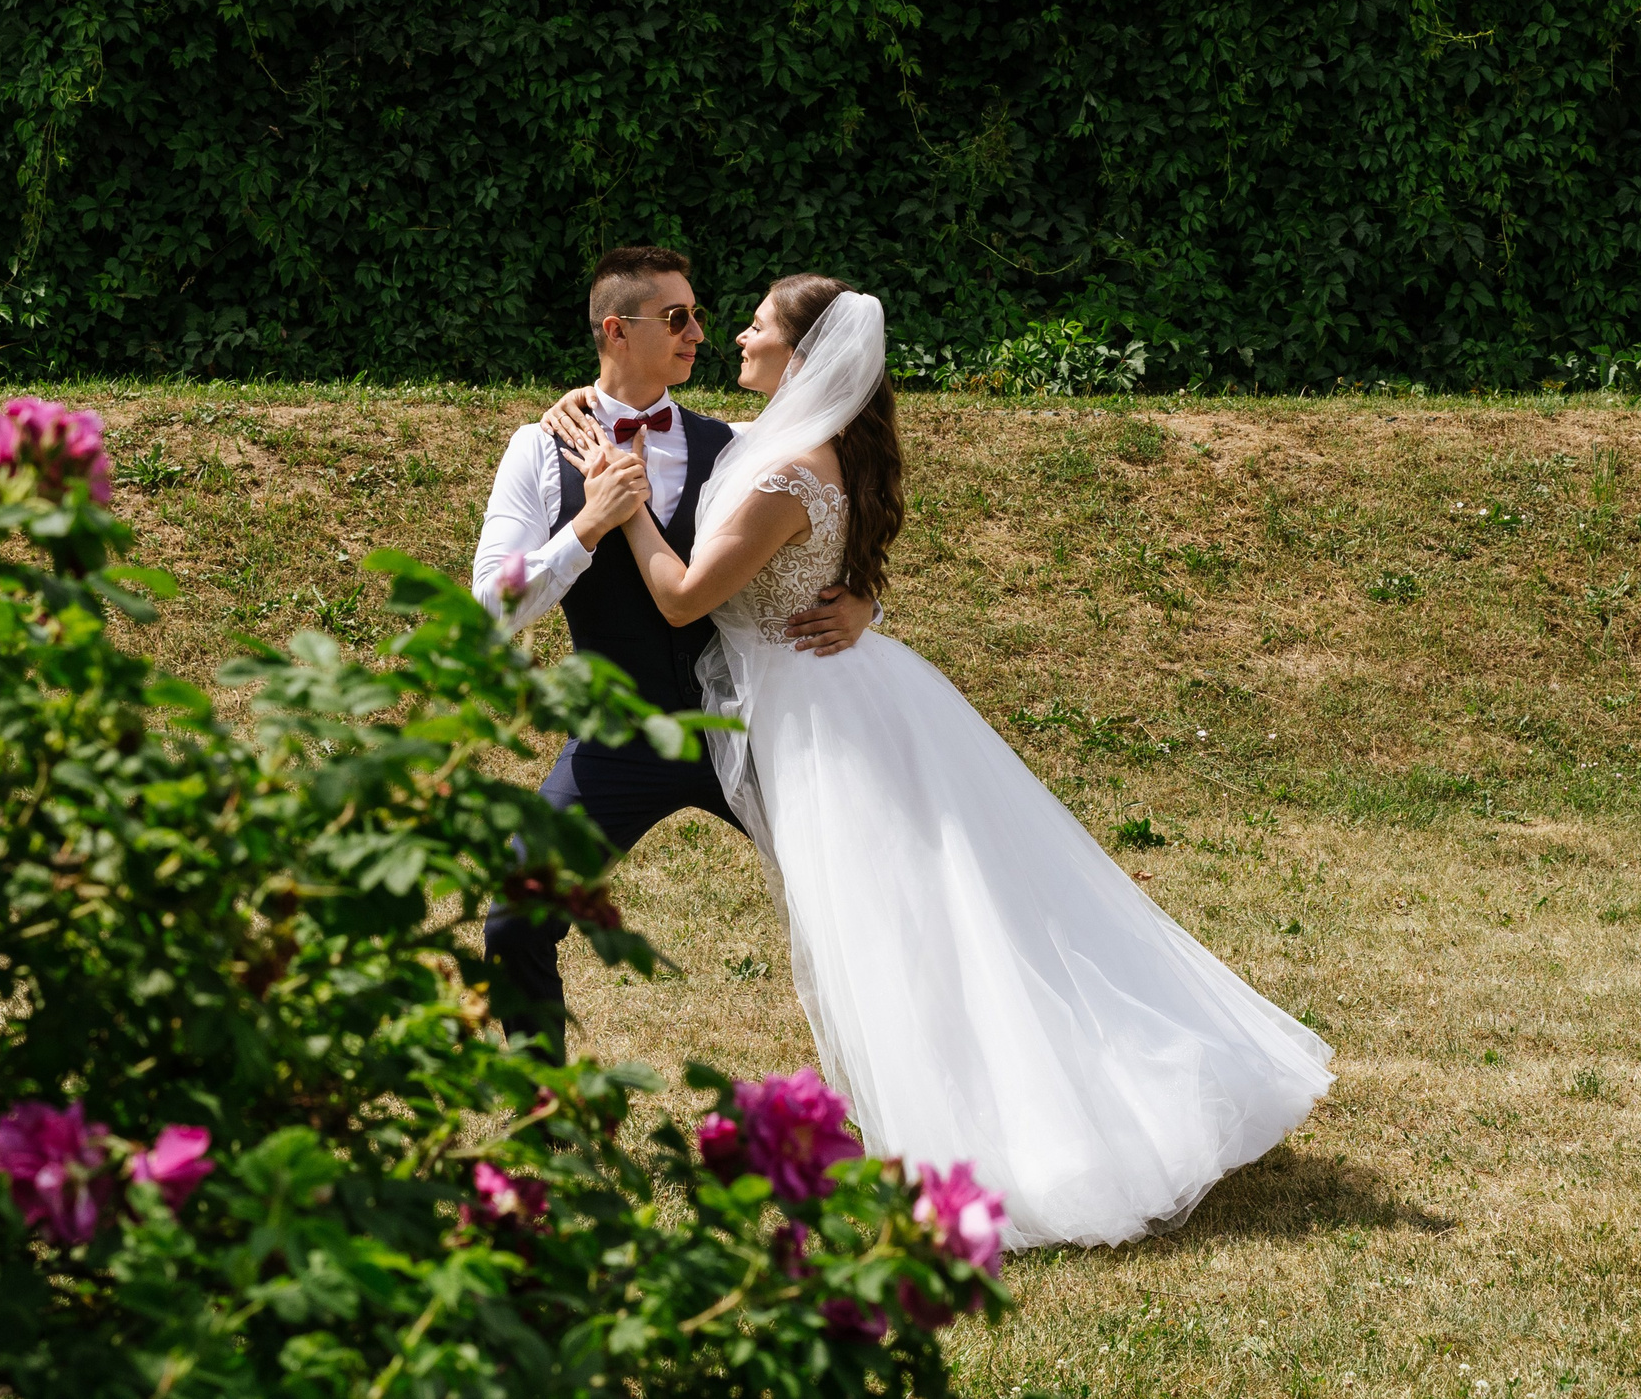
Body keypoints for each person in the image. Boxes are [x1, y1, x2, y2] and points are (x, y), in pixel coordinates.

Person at [547, 274, 1332, 1250]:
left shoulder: (791, 465)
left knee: (893, 932)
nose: (734, 337)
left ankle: (986, 1152)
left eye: (753, 325)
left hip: (825, 719)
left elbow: (679, 600)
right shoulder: (786, 444)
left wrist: (618, 505)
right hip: (839, 691)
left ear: (802, 355)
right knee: (928, 919)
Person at [472, 246, 877, 1063]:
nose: (700, 332)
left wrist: (867, 600)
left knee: (863, 901)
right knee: (516, 917)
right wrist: (586, 527)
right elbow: (488, 608)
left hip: (750, 723)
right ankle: (544, 1116)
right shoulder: (535, 451)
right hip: (618, 735)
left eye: (698, 314)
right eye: (678, 318)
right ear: (617, 331)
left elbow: (826, 517)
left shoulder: (735, 443)